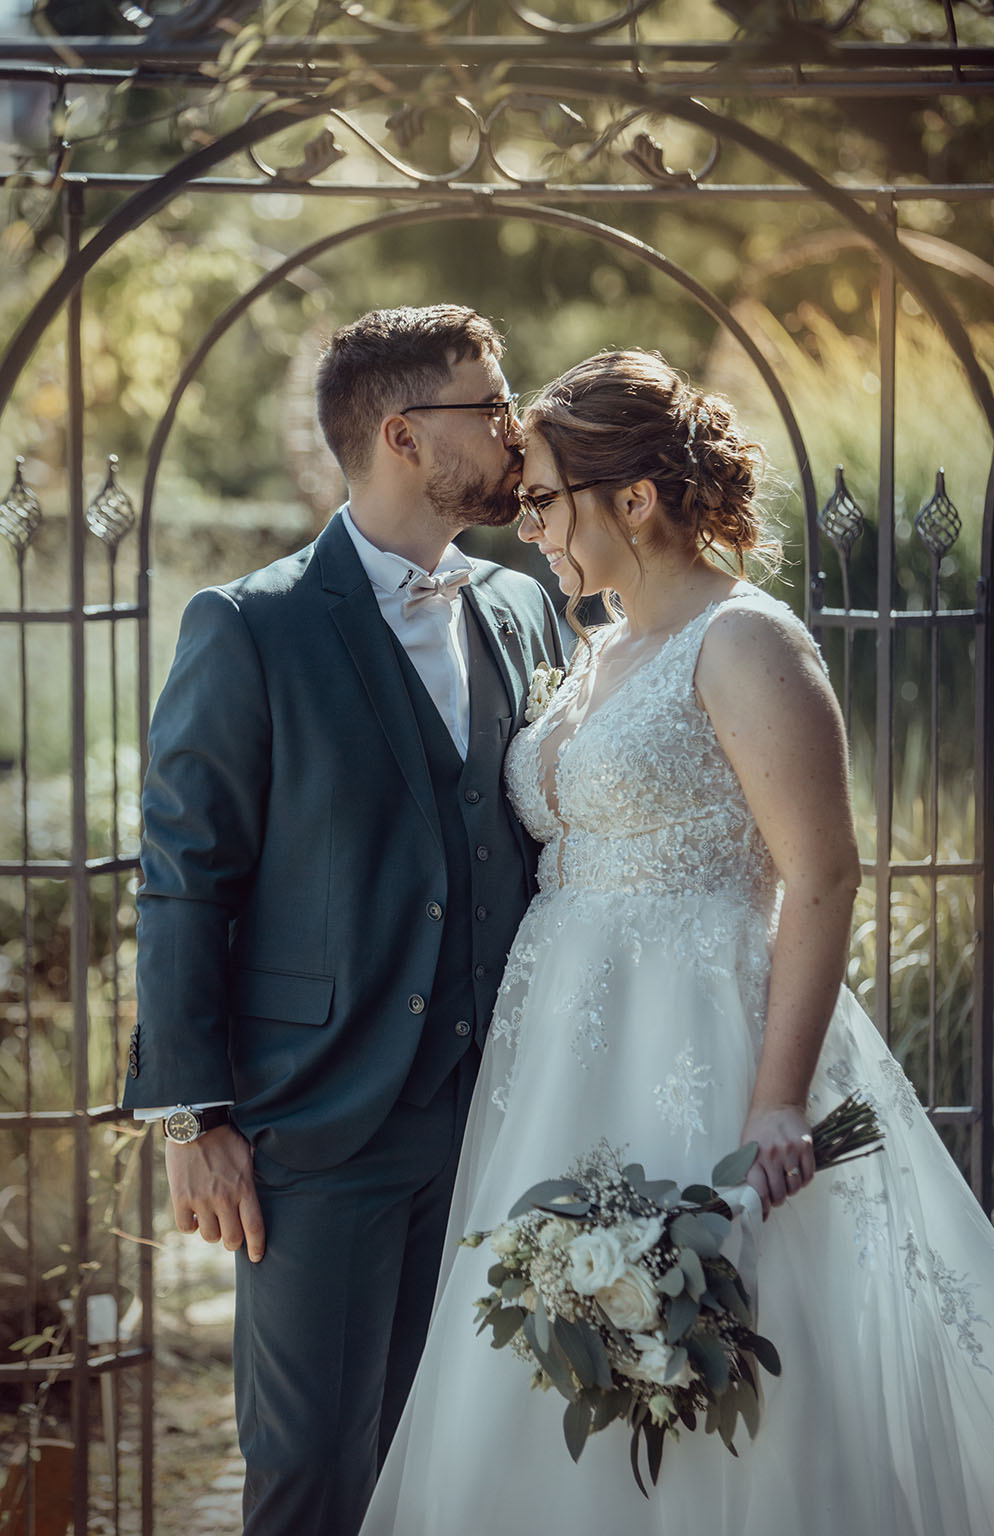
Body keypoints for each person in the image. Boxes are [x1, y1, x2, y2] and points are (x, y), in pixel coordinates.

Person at [360, 349, 994, 1535]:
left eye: (546, 499)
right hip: (558, 1059)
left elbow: (821, 872)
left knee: (706, 1361)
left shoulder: (746, 642)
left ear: (636, 502)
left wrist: (774, 1103)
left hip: (701, 1043)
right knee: (549, 1356)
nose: (530, 524)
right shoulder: (597, 651)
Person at [121, 304, 563, 1536]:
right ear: (404, 435)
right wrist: (190, 1113)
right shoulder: (249, 625)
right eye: (491, 405)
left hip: (501, 1116)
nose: (514, 429)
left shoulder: (519, 608)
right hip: (320, 1126)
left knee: (459, 1465)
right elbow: (183, 874)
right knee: (315, 1469)